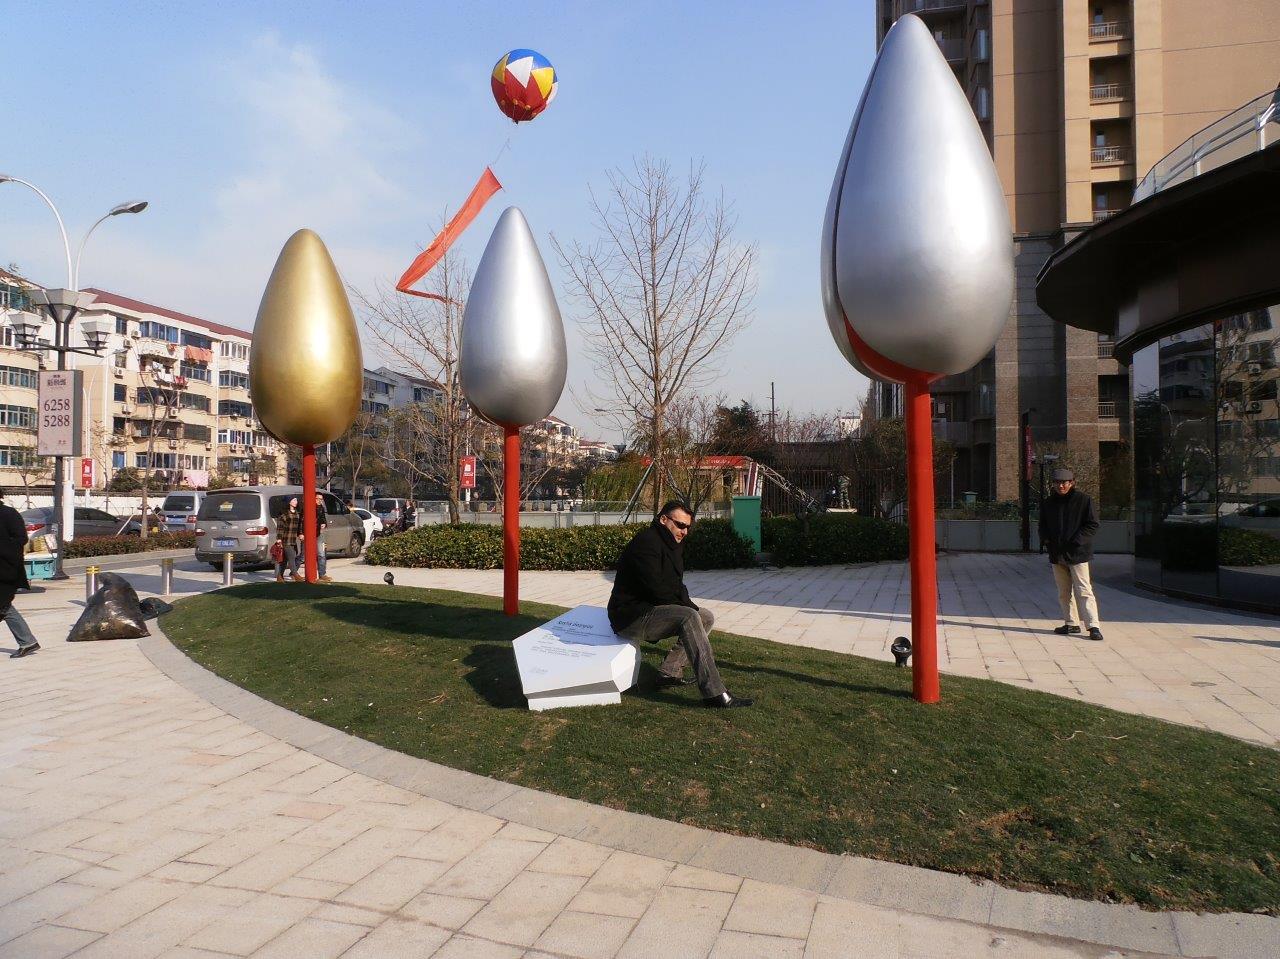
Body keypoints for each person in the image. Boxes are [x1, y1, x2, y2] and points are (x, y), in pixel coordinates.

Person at [608, 500, 752, 708]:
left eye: (688, 527)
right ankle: (714, 693)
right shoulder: (646, 542)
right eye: (680, 525)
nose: (684, 531)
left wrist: (690, 605)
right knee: (689, 616)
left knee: (704, 616)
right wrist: (687, 609)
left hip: (650, 608)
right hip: (630, 616)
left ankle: (669, 672)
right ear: (663, 519)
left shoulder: (672, 544)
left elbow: (676, 585)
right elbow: (655, 589)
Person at [1039, 468, 1104, 641]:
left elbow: (1093, 524)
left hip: (1078, 553)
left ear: (1072, 483)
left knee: (1084, 590)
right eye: (1057, 483)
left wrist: (1076, 541)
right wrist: (1046, 541)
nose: (1061, 486)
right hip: (1057, 553)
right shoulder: (1048, 503)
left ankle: (1093, 626)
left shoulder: (1084, 500)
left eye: (1064, 482)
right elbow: (1042, 525)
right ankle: (1071, 623)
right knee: (1064, 591)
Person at [0, 489, 39, 658]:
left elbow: (21, 538)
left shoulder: (9, 514)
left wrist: (4, 549)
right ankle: (27, 641)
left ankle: (27, 641)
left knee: (4, 606)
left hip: (6, 568)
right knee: (4, 606)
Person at [304, 492, 332, 583]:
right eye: (318, 499)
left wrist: (324, 524)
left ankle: (322, 574)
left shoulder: (321, 508)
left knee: (322, 554)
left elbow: (323, 519)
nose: (319, 501)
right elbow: (302, 520)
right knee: (303, 555)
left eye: (321, 499)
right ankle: (294, 572)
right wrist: (301, 533)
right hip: (309, 534)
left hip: (319, 533)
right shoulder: (308, 507)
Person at [274, 497, 303, 582]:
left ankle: (279, 576)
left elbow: (299, 526)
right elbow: (280, 527)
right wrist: (279, 539)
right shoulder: (284, 514)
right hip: (285, 539)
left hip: (293, 539)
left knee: (285, 559)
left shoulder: (297, 513)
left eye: (296, 500)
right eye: (294, 500)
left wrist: (300, 533)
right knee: (291, 557)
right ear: (289, 502)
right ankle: (295, 575)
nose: (296, 502)